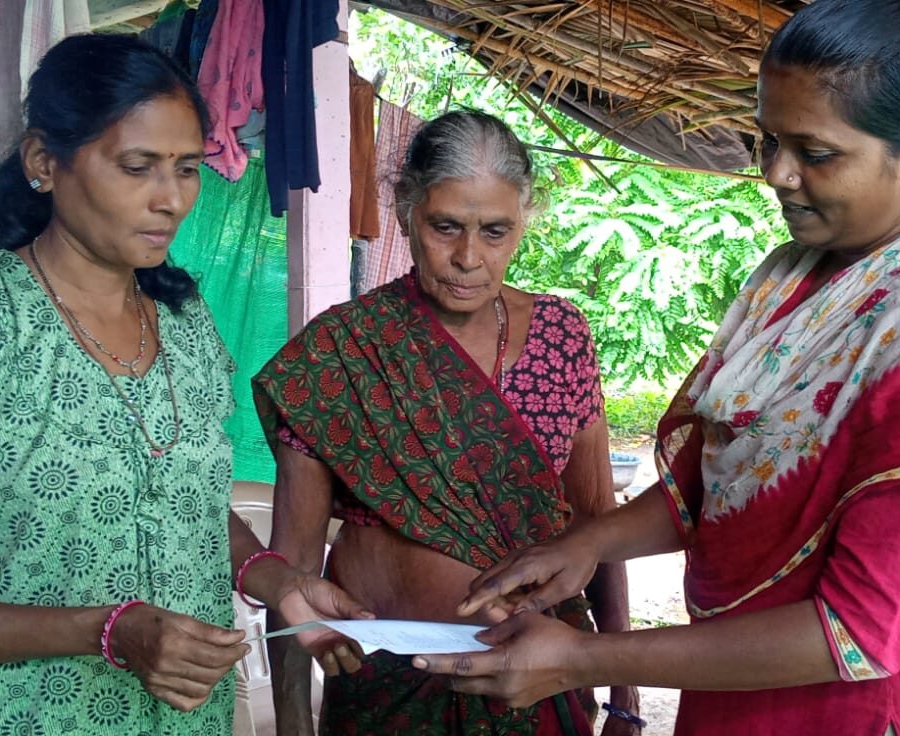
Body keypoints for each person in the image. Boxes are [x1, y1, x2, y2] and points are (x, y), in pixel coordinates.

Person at [412, 2, 900, 735]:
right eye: (767, 140)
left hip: (866, 715)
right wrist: (585, 545)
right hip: (744, 690)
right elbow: (721, 476)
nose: (776, 173)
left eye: (815, 152)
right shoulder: (801, 278)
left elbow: (859, 632)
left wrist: (583, 659)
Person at [0, 34, 367, 736]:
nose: (171, 200)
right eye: (137, 167)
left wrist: (282, 584)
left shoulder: (184, 322)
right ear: (43, 162)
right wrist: (107, 629)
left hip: (188, 720)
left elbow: (183, 508)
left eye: (187, 169)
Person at [252, 110, 641, 736]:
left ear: (523, 222)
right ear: (407, 209)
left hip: (539, 678)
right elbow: (291, 564)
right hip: (386, 688)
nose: (468, 258)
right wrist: (295, 722)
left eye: (495, 232)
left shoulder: (560, 338)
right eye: (446, 227)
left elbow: (598, 527)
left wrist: (624, 694)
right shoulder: (341, 351)